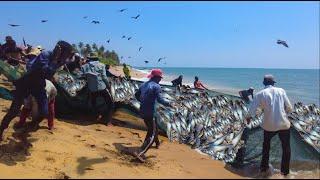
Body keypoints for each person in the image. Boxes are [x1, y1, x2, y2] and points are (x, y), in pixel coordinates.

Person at [0, 40, 74, 142]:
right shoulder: (45, 55)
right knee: (14, 111)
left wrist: (60, 60)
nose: (66, 56)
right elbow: (46, 73)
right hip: (26, 83)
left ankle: (26, 130)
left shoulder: (60, 61)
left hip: (38, 86)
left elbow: (50, 74)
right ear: (60, 50)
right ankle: (1, 129)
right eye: (66, 53)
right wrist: (54, 60)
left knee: (44, 112)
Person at [246, 74, 292, 177]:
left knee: (266, 146)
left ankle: (264, 168)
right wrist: (283, 113)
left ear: (263, 83)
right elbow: (289, 107)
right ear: (273, 83)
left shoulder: (259, 94)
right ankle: (285, 172)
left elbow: (252, 109)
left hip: (268, 125)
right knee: (286, 148)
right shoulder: (281, 91)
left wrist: (248, 118)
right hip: (283, 124)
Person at [134, 69, 173, 162]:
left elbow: (136, 95)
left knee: (153, 127)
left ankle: (157, 143)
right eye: (160, 78)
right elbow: (160, 100)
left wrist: (143, 102)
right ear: (157, 77)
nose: (160, 79)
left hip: (142, 110)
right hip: (151, 111)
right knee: (151, 131)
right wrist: (169, 104)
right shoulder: (157, 87)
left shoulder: (144, 84)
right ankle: (141, 152)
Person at [81, 52, 114, 126]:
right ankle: (108, 121)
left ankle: (96, 116)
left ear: (90, 58)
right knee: (111, 104)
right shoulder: (101, 65)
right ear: (97, 58)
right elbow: (104, 77)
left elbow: (82, 76)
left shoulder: (84, 66)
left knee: (93, 103)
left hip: (92, 89)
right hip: (102, 88)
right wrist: (108, 86)